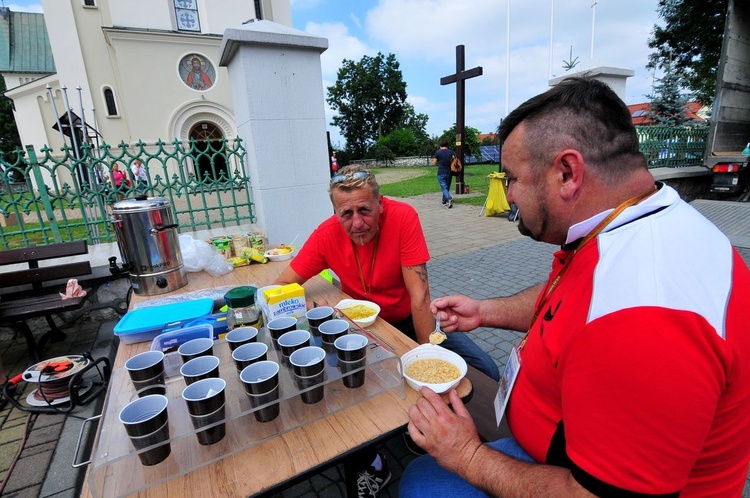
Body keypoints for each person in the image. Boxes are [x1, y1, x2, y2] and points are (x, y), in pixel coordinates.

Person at [399, 77, 750, 497]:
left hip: (576, 475)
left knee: (421, 482)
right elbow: (570, 302)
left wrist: (467, 455)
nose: (508, 195)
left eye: (511, 178)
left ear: (567, 172)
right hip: (566, 446)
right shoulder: (633, 221)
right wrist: (485, 311)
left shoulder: (645, 317)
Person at [274, 165, 500, 497]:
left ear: (381, 203)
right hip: (362, 327)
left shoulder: (404, 217)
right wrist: (299, 306)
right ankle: (383, 453)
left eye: (364, 210)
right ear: (335, 212)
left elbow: (420, 295)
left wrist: (426, 358)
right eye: (346, 214)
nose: (357, 223)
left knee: (485, 369)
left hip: (411, 317)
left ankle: (458, 439)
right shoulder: (326, 233)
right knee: (362, 396)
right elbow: (281, 285)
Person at [433, 139, 454, 208]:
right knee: (447, 187)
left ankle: (449, 198)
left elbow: (434, 163)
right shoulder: (450, 152)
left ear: (440, 145)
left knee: (444, 187)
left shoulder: (438, 152)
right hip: (449, 172)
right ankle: (444, 202)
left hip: (441, 172)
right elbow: (454, 160)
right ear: (447, 145)